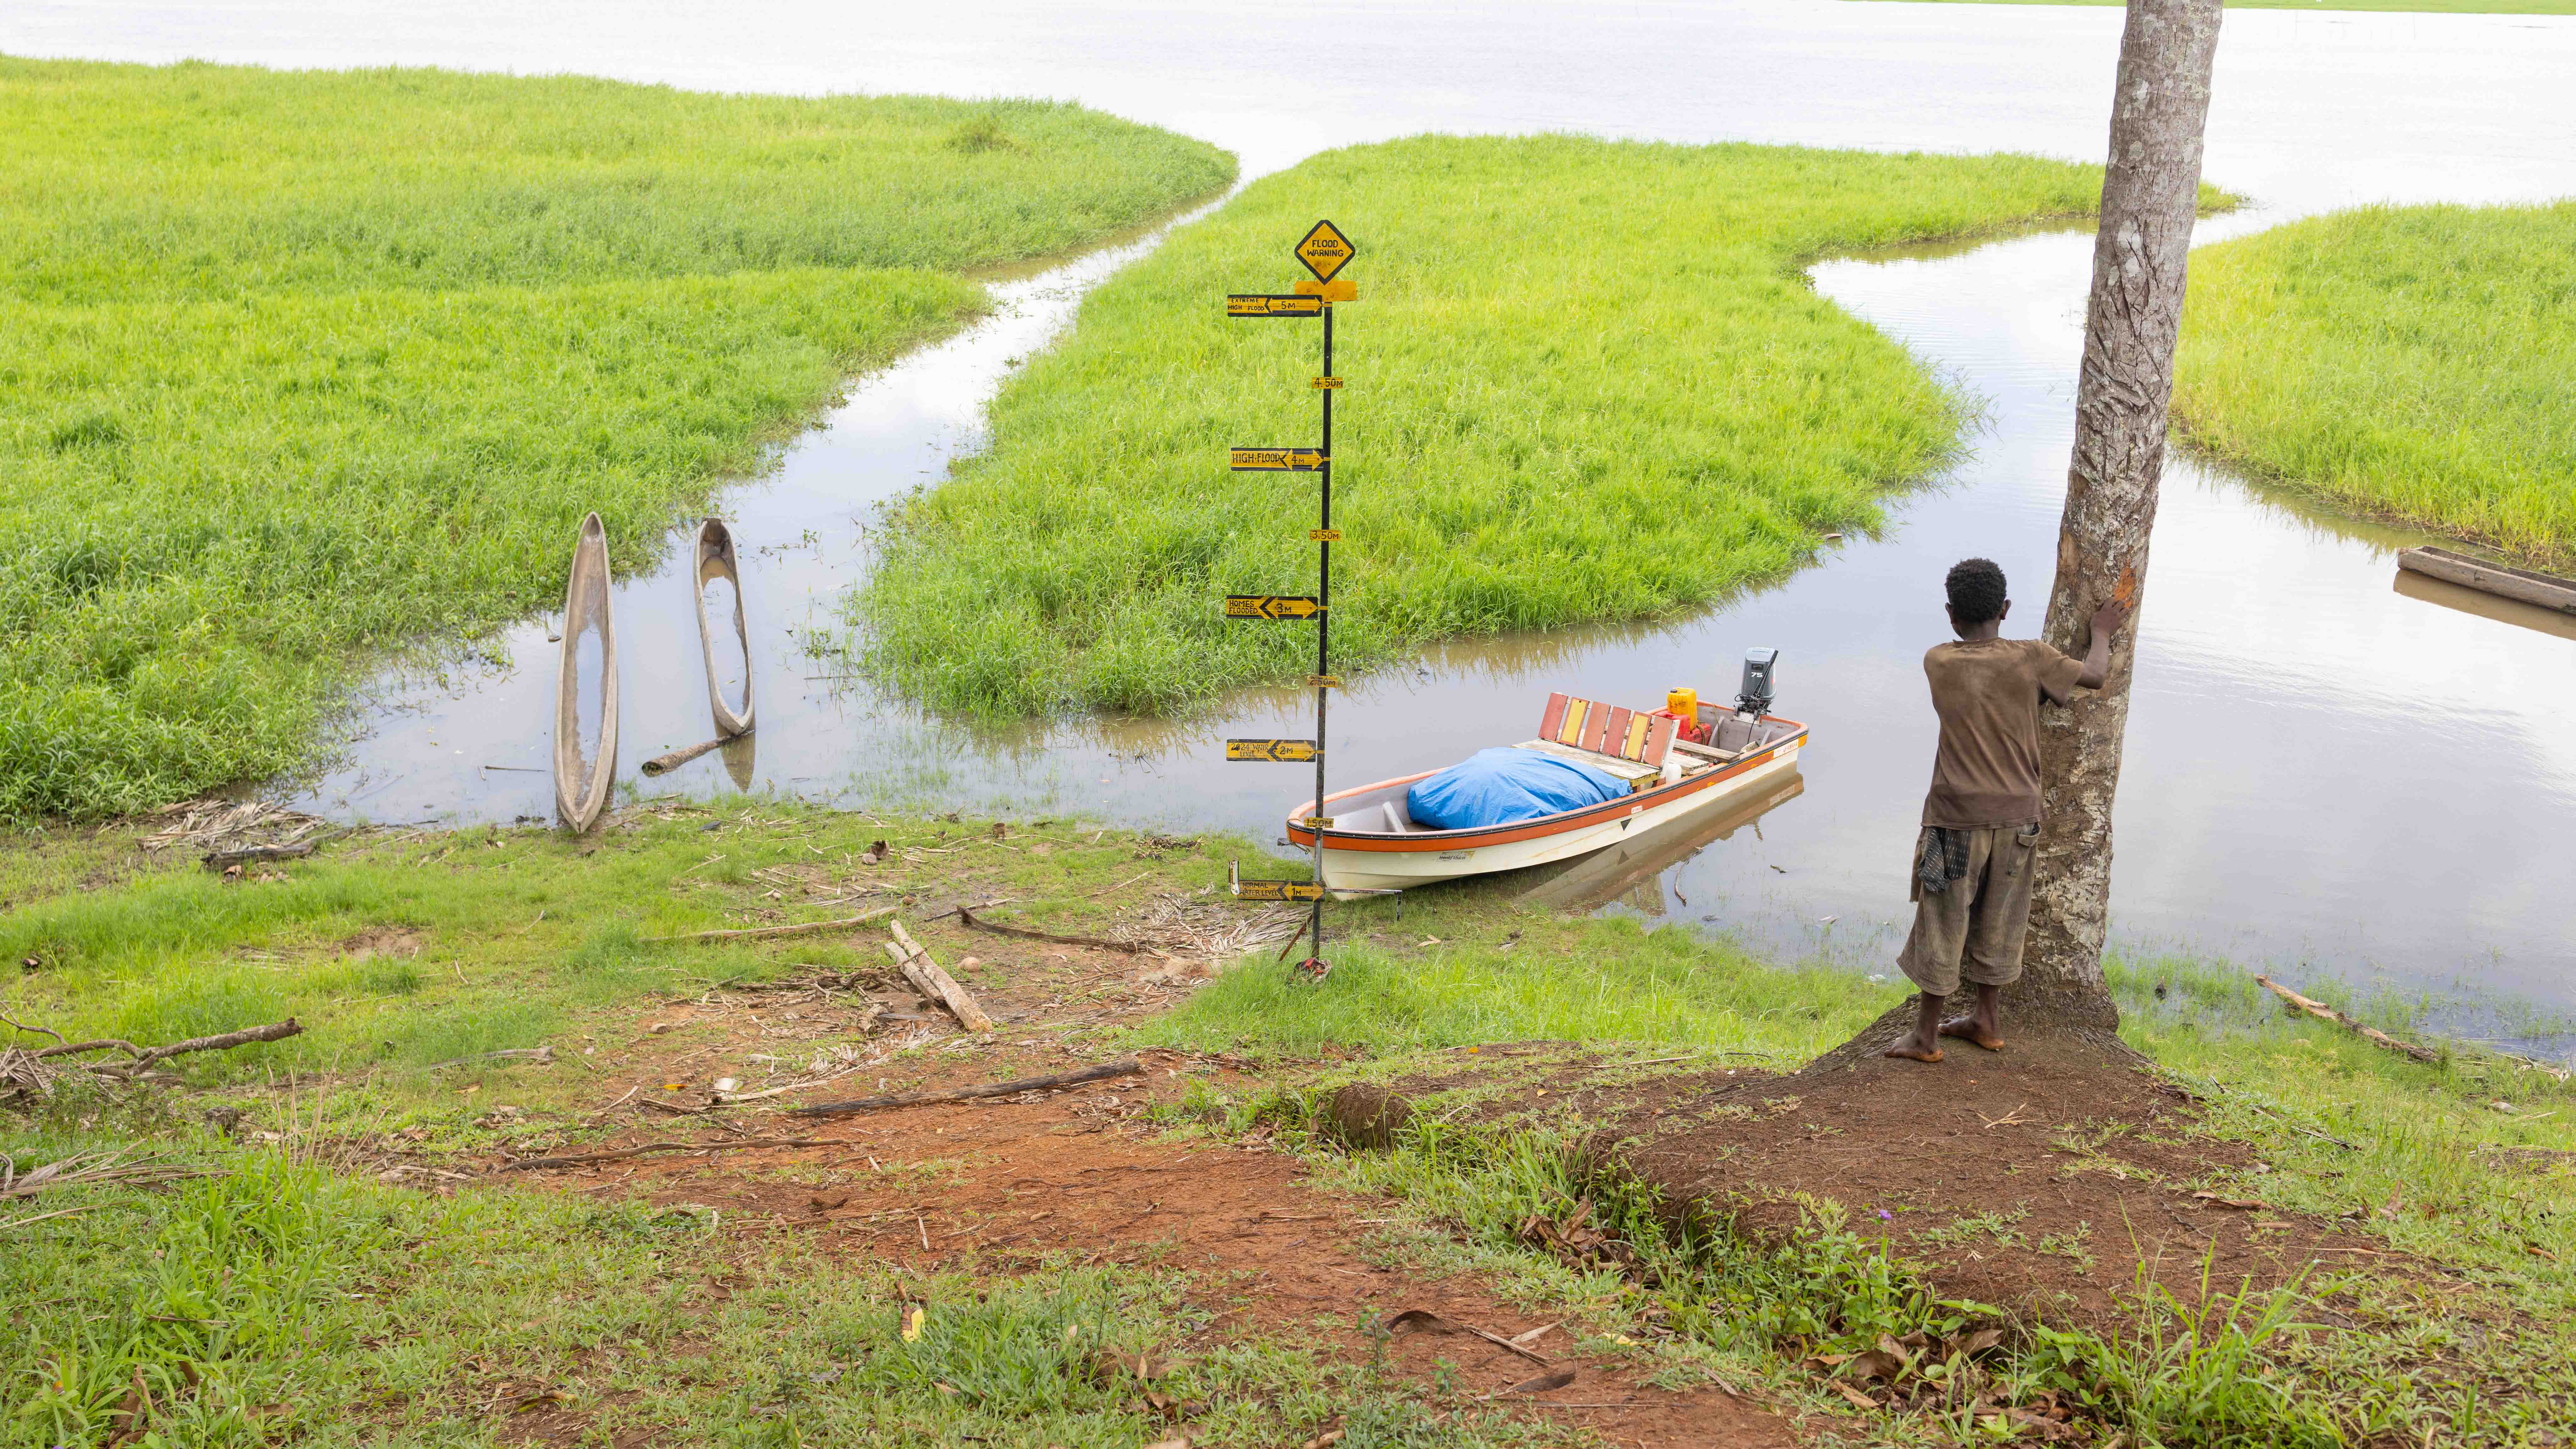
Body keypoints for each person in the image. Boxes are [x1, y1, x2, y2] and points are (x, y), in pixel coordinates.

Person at [1884, 558, 2126, 1064]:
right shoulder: (2032, 658)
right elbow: (2098, 676)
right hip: (2019, 820)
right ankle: (1987, 1021)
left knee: (1943, 917)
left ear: (1951, 615)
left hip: (1953, 821)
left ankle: (1926, 1037)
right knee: (2001, 917)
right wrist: (2101, 631)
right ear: (2007, 609)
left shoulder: (1938, 661)